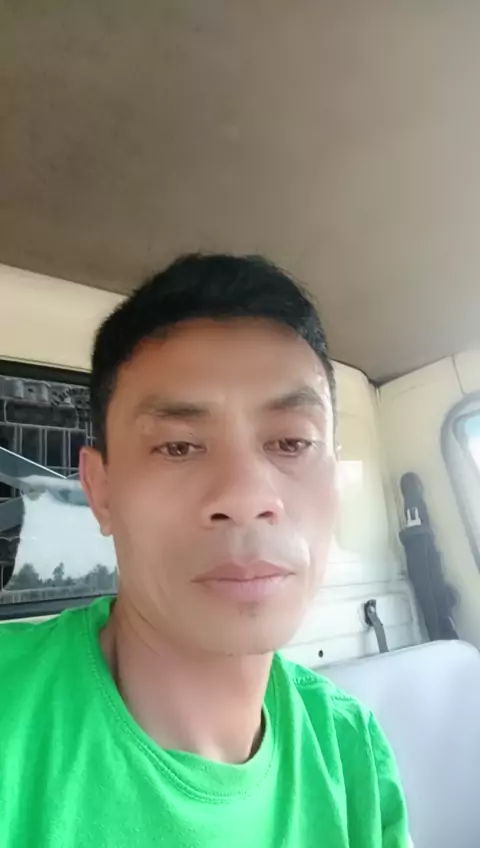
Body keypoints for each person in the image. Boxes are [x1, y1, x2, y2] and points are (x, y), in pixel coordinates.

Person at [0, 254, 410, 847]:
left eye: (292, 442)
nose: (246, 498)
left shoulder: (352, 753)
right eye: (178, 447)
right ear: (101, 491)